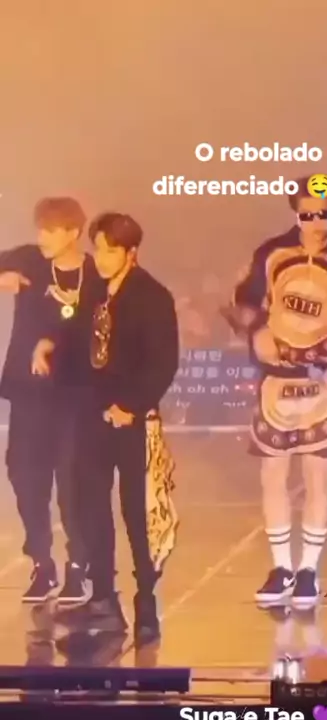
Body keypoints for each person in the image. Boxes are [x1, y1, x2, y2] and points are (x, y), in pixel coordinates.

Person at [223, 177, 327, 607]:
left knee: (316, 476)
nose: (315, 222)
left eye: (323, 213)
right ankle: (281, 568)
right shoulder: (271, 255)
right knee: (272, 475)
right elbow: (243, 302)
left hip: (323, 385)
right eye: (307, 214)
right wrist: (256, 331)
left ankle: (308, 570)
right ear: (295, 212)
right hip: (275, 380)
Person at [33, 213, 179, 642]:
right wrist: (51, 344)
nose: (100, 258)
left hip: (131, 420)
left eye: (110, 250)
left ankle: (146, 605)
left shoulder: (152, 296)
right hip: (92, 416)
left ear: (131, 253)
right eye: (97, 249)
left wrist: (131, 405)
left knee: (138, 515)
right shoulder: (95, 289)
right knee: (91, 507)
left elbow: (163, 362)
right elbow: (79, 335)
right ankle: (103, 599)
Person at [0, 197, 104, 603]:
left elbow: (92, 326)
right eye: (40, 228)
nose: (42, 237)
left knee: (73, 481)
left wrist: (50, 342)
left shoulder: (94, 273)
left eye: (51, 230)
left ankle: (79, 566)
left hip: (75, 394)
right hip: (29, 394)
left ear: (73, 232)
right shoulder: (29, 260)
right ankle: (42, 564)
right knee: (25, 476)